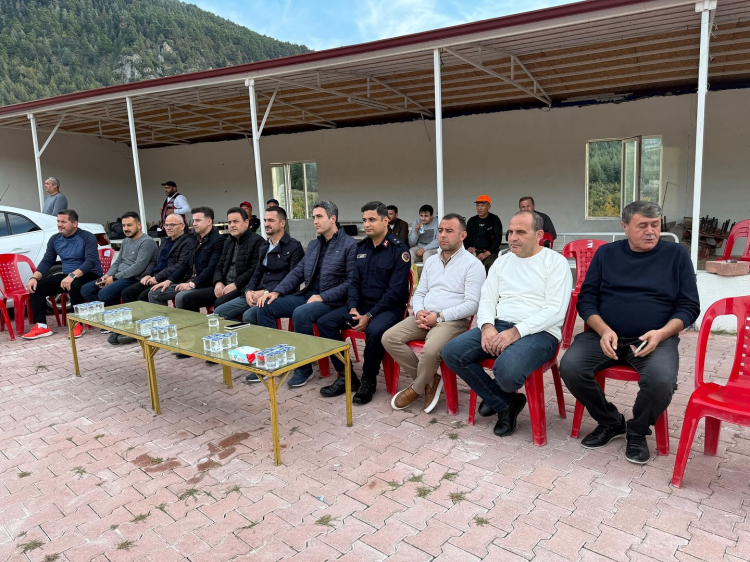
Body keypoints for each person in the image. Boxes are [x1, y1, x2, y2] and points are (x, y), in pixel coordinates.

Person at [559, 201, 700, 464]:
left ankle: (637, 431)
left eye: (655, 225)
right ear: (625, 227)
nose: (651, 231)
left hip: (655, 339)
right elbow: (586, 299)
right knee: (570, 366)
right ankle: (611, 421)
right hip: (604, 336)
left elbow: (689, 307)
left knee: (661, 380)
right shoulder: (607, 254)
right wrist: (603, 330)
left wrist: (661, 333)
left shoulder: (676, 255)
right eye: (642, 225)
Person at [443, 211, 572, 438]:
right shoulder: (502, 262)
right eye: (510, 232)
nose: (513, 237)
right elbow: (487, 298)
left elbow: (555, 311)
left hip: (541, 332)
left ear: (539, 235)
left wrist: (516, 332)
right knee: (452, 352)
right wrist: (486, 326)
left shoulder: (555, 263)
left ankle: (496, 398)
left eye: (521, 232)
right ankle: (506, 402)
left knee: (506, 369)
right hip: (500, 324)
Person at [384, 213, 485, 412]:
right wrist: (419, 311)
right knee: (389, 338)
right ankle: (430, 380)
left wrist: (439, 317)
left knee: (430, 351)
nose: (443, 235)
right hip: (425, 315)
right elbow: (420, 292)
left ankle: (416, 389)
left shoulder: (473, 265)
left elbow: (473, 304)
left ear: (463, 235)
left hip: (452, 320)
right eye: (440, 230)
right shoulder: (431, 261)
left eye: (449, 231)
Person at [317, 202, 411, 405]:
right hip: (362, 306)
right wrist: (353, 307)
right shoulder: (361, 248)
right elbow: (354, 282)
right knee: (325, 322)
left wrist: (369, 316)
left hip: (389, 308)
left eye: (372, 219)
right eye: (364, 220)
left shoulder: (399, 249)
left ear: (385, 220)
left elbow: (394, 292)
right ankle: (346, 376)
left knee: (375, 330)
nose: (366, 224)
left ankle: (369, 380)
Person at [255, 201, 357, 387]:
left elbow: (352, 282)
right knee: (265, 306)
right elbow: (297, 272)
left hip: (333, 301)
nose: (315, 221)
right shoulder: (313, 245)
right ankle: (276, 360)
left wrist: (322, 297)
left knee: (301, 313)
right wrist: (277, 291)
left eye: (319, 217)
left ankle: (304, 368)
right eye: (313, 217)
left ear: (333, 218)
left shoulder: (350, 245)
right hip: (308, 295)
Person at [214, 205, 304, 344]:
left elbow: (292, 279)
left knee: (249, 315)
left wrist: (266, 292)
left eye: (271, 220)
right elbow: (256, 274)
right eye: (265, 220)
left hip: (277, 294)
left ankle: (269, 346)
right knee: (219, 312)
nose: (266, 224)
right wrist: (249, 291)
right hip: (256, 293)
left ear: (282, 223)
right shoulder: (264, 246)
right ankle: (245, 342)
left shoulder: (294, 247)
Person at [22, 209, 102, 340]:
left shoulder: (87, 237)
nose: (59, 224)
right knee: (37, 287)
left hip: (90, 274)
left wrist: (72, 276)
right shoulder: (55, 239)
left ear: (75, 223)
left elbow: (91, 261)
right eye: (58, 221)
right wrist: (34, 277)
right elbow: (47, 261)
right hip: (67, 276)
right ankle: (42, 326)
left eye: (63, 222)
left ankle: (76, 324)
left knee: (75, 285)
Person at [81, 212, 158, 331]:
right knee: (86, 289)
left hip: (133, 278)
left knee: (105, 293)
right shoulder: (126, 241)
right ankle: (114, 315)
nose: (126, 229)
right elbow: (118, 261)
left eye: (129, 225)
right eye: (124, 225)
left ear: (139, 225)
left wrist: (115, 278)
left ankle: (114, 320)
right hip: (118, 276)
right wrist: (107, 275)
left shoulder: (147, 242)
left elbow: (138, 267)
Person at [178, 207, 263, 312]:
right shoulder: (228, 242)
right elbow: (219, 266)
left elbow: (254, 269)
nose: (232, 225)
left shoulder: (258, 242)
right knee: (187, 299)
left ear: (246, 222)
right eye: (229, 222)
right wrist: (218, 282)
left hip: (242, 287)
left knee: (220, 303)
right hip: (224, 285)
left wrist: (235, 284)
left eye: (236, 222)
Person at [148, 207, 224, 309]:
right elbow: (185, 264)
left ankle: (189, 319)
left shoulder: (218, 241)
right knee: (154, 293)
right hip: (188, 280)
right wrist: (169, 280)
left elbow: (211, 268)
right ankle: (164, 319)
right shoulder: (195, 239)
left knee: (181, 297)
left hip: (204, 283)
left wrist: (192, 284)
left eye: (198, 220)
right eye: (193, 220)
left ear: (209, 221)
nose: (194, 224)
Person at [120, 214, 195, 307]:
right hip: (155, 277)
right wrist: (147, 274)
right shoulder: (165, 241)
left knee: (143, 296)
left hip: (171, 278)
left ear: (182, 226)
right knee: (127, 293)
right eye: (166, 225)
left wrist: (157, 277)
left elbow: (180, 265)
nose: (168, 228)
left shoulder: (188, 242)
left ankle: (152, 316)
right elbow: (154, 261)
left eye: (172, 225)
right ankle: (135, 316)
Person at [465, 195, 504, 271]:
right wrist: (468, 247)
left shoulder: (495, 220)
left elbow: (498, 240)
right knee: (466, 264)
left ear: (489, 207)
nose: (479, 208)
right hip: (474, 252)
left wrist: (487, 253)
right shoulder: (472, 220)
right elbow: (465, 238)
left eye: (482, 206)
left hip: (490, 252)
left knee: (490, 265)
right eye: (478, 205)